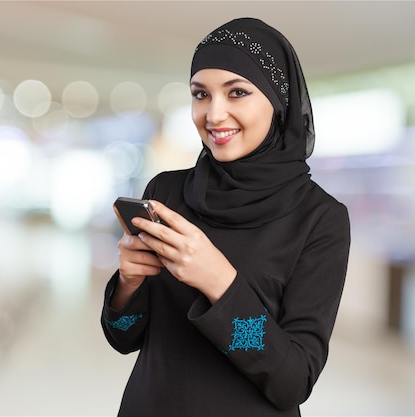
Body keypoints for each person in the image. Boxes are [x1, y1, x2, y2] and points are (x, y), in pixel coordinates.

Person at [100, 17, 350, 416]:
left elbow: (292, 381)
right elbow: (123, 337)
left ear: (277, 101)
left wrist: (219, 281)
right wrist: (128, 284)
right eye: (201, 94)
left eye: (237, 92)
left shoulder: (319, 218)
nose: (214, 114)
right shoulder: (166, 192)